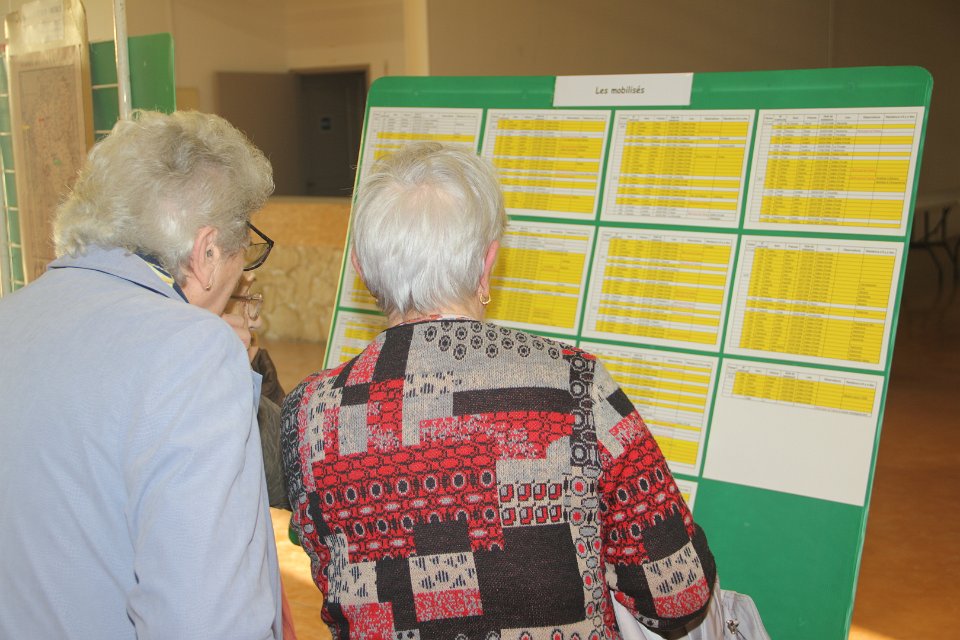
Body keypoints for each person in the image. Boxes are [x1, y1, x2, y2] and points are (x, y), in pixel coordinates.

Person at [280, 141, 717, 639]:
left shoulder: (309, 413)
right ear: (487, 263)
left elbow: (334, 581)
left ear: (359, 267)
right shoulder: (574, 386)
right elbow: (679, 595)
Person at [0, 110, 282, 639]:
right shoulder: (193, 350)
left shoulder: (10, 318)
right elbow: (204, 620)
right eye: (244, 256)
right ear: (206, 253)